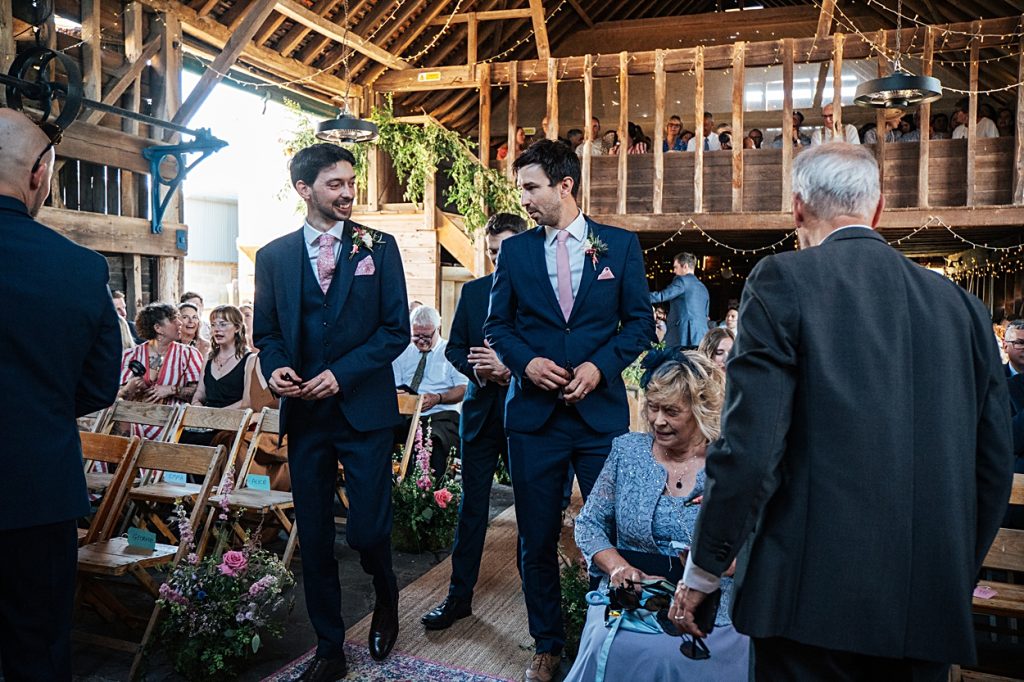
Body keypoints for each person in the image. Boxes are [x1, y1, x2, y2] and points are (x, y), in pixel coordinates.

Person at [671, 143, 1014, 680]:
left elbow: (751, 450)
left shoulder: (782, 280)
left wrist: (704, 571)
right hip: (925, 607)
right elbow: (993, 466)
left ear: (798, 209)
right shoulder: (963, 309)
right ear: (878, 211)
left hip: (809, 603)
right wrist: (947, 571)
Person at [484, 139, 655, 682]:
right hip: (534, 421)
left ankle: (614, 634)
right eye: (522, 189)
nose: (525, 199)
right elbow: (497, 328)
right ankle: (547, 643)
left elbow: (639, 326)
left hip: (598, 418)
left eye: (532, 188)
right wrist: (527, 364)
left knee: (617, 530)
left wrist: (600, 367)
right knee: (535, 536)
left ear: (565, 185)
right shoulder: (514, 253)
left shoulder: (620, 247)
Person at [253, 143, 410, 680]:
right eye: (334, 184)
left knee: (366, 530)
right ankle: (328, 647)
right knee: (315, 536)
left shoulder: (379, 247)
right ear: (305, 190)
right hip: (306, 418)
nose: (348, 193)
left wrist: (341, 374)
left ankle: (385, 593)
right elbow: (267, 333)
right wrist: (274, 368)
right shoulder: (273, 256)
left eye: (350, 182)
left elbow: (396, 330)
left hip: (364, 412)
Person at [0, 109, 121, 681]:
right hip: (38, 490)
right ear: (39, 173)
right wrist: (36, 412)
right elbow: (100, 383)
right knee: (39, 648)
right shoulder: (79, 268)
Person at [567, 349, 749, 682]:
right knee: (611, 647)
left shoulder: (730, 464)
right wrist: (618, 567)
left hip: (711, 611)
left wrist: (719, 566)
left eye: (671, 411)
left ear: (699, 410)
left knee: (674, 658)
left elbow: (759, 543)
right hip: (631, 604)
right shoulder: (627, 451)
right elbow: (590, 523)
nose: (657, 420)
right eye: (652, 407)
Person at [421, 212, 526, 631]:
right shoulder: (474, 291)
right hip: (481, 416)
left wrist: (511, 367)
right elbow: (455, 350)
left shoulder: (543, 294)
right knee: (471, 511)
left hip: (527, 417)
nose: (496, 259)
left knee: (536, 513)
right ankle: (458, 598)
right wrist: (481, 371)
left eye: (504, 251)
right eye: (491, 251)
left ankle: (535, 599)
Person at [392, 305, 468, 479]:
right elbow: (394, 385)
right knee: (377, 431)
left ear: (437, 329)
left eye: (426, 336)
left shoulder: (451, 352)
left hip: (441, 416)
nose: (421, 341)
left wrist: (438, 398)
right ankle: (389, 487)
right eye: (416, 336)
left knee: (431, 438)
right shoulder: (402, 351)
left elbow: (464, 388)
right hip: (406, 415)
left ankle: (430, 491)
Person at [118, 303, 203, 438]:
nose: (180, 323)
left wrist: (172, 390)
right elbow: (117, 397)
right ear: (158, 328)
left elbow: (199, 393)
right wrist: (129, 388)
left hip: (173, 424)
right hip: (135, 422)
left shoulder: (189, 354)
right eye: (173, 319)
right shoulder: (130, 355)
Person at [192, 305, 257, 410]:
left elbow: (247, 403)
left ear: (237, 328)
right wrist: (196, 404)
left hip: (234, 422)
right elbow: (200, 393)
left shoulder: (250, 359)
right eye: (213, 325)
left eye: (222, 324)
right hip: (205, 421)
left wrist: (217, 416)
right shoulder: (208, 357)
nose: (217, 329)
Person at [649, 252, 710, 347]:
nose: (674, 271)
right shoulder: (703, 288)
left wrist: (639, 297)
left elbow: (662, 296)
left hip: (683, 334)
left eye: (675, 267)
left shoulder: (682, 281)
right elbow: (706, 315)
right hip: (702, 336)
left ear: (685, 266)